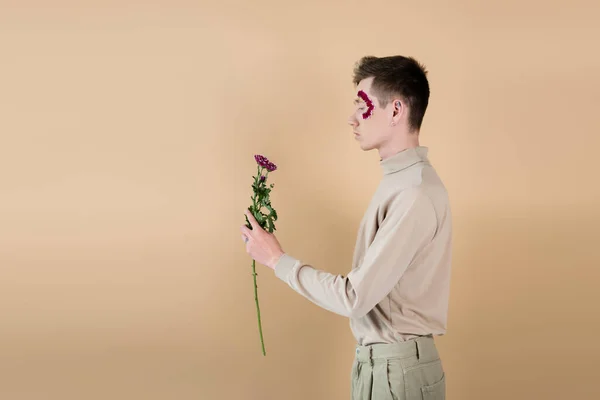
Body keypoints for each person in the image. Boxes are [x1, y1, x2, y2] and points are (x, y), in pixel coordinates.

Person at [240, 55, 452, 400]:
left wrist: (277, 260)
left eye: (361, 105)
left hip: (396, 373)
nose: (352, 119)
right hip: (383, 368)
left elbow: (354, 298)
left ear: (396, 111)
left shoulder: (413, 193)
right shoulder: (400, 184)